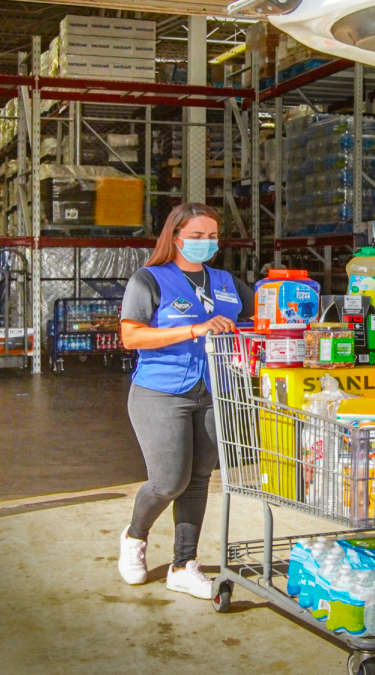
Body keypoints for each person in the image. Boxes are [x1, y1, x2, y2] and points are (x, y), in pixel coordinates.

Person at [116, 202, 253, 599]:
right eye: (196, 236)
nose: (205, 243)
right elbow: (132, 337)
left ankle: (183, 564)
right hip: (161, 391)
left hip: (213, 391)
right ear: (175, 237)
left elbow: (263, 312)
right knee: (168, 481)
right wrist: (194, 330)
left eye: (211, 236)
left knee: (198, 481)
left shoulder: (225, 281)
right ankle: (135, 537)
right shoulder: (150, 279)